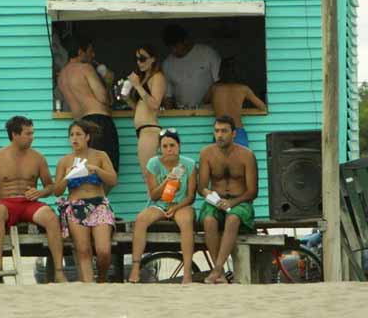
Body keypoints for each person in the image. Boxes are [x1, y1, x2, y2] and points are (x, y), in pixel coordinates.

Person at [0, 116, 66, 283]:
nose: (32, 137)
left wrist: (40, 192)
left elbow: (50, 186)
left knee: (51, 217)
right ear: (15, 134)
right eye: (28, 134)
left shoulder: (38, 158)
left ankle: (59, 270)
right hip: (6, 202)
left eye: (32, 133)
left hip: (29, 203)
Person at [128, 128, 197, 284]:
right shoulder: (154, 163)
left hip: (181, 204)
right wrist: (166, 180)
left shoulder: (189, 164)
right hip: (159, 203)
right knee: (141, 219)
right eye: (165, 146)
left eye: (172, 145)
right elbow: (153, 195)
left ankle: (187, 272)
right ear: (160, 148)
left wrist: (176, 208)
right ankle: (135, 267)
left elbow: (191, 196)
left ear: (179, 146)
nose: (169, 149)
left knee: (186, 221)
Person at [53, 119, 117, 283]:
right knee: (83, 249)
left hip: (98, 205)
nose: (74, 138)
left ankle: (101, 279)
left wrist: (97, 170)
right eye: (71, 135)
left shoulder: (100, 156)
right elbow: (57, 191)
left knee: (103, 251)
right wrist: (67, 176)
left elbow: (113, 180)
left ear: (87, 137)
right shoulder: (64, 161)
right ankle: (88, 285)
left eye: (78, 134)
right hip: (76, 206)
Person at [198, 115, 258, 284]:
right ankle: (221, 272)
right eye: (217, 131)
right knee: (208, 220)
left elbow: (252, 191)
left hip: (240, 202)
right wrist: (213, 198)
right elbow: (201, 187)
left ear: (234, 133)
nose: (220, 135)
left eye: (224, 131)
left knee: (233, 218)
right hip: (215, 200)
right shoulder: (206, 153)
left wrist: (232, 203)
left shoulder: (247, 155)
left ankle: (217, 269)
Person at [58, 36, 120, 177]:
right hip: (98, 121)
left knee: (86, 170)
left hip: (80, 125)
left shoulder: (62, 76)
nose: (93, 55)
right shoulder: (85, 68)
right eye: (90, 51)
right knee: (108, 170)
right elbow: (102, 97)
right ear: (81, 52)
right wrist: (108, 82)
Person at [203, 58, 266, 148]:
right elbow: (262, 106)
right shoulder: (243, 89)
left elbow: (204, 101)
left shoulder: (214, 88)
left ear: (221, 72)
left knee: (218, 157)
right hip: (237, 130)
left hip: (220, 131)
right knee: (241, 157)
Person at [124, 44, 167, 176]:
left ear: (153, 59)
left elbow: (155, 105)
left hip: (150, 129)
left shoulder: (157, 77)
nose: (139, 62)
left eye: (142, 59)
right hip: (143, 130)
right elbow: (141, 108)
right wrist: (127, 99)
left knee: (149, 175)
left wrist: (137, 86)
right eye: (137, 59)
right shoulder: (144, 79)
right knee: (149, 175)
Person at [161, 24, 220, 109]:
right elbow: (167, 96)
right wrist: (168, 114)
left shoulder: (208, 53)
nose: (174, 50)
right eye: (170, 47)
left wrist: (206, 100)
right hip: (182, 112)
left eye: (176, 46)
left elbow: (219, 83)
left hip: (209, 110)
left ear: (186, 41)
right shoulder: (167, 64)